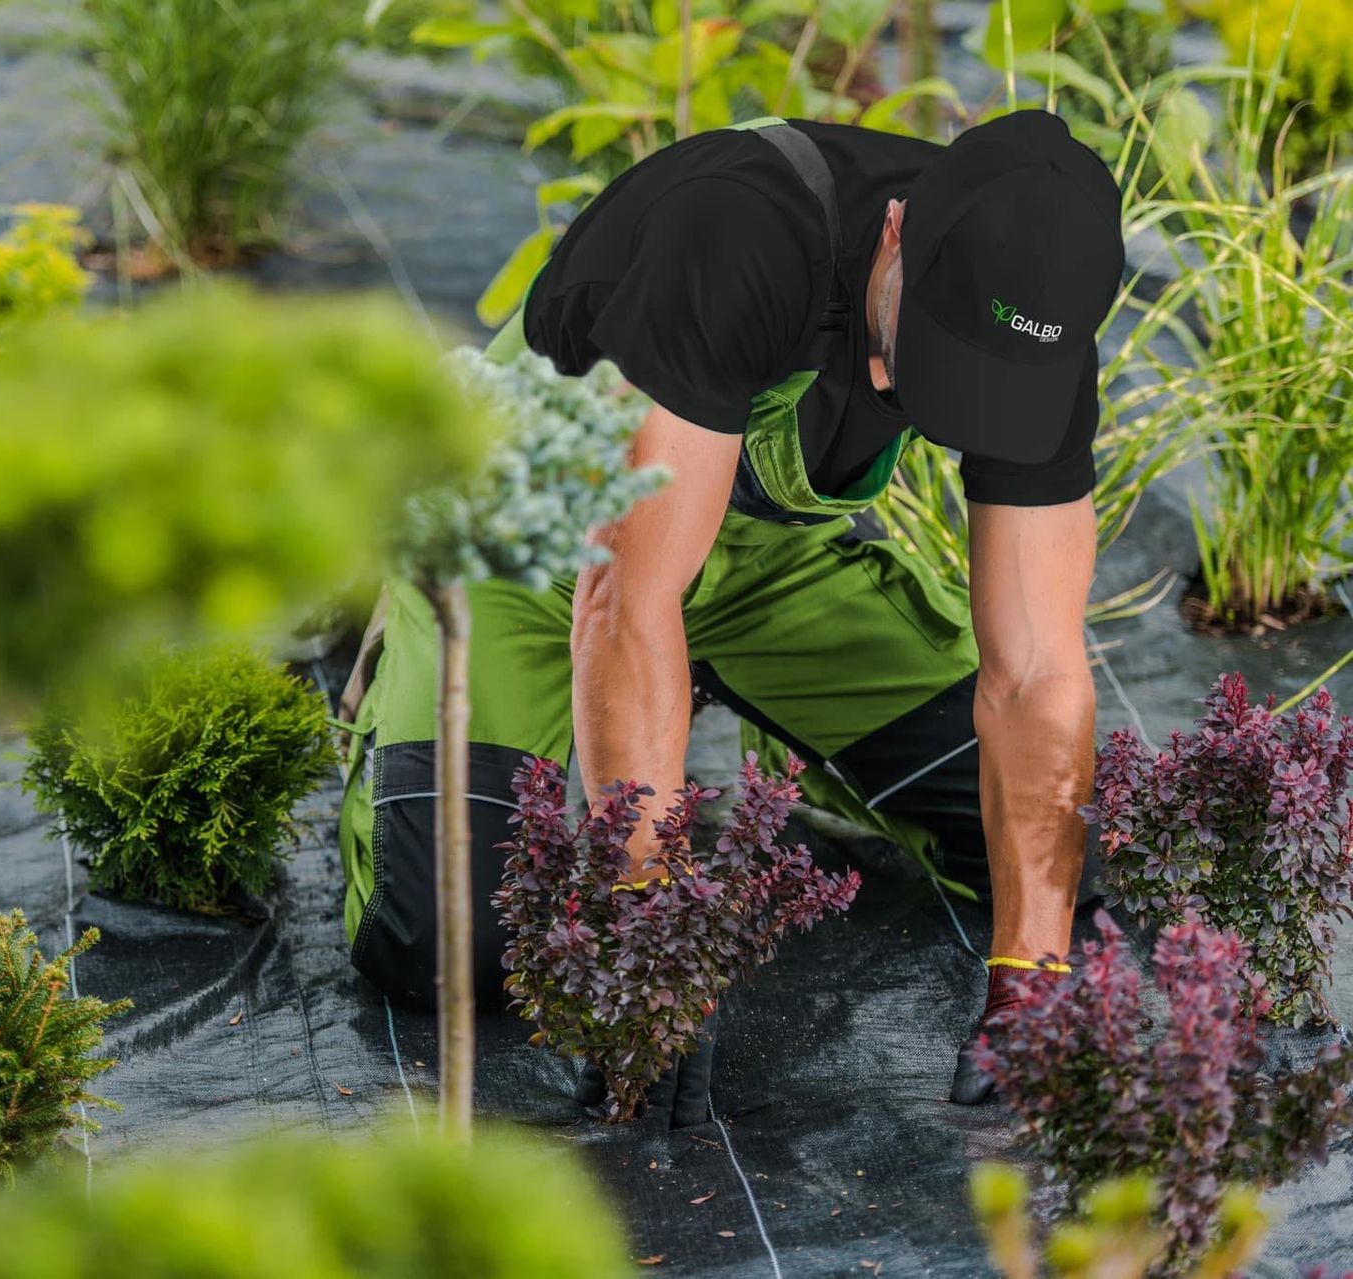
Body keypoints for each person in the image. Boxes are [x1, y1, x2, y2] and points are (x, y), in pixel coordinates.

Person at [336, 109, 1125, 1125]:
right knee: (446, 946)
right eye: (923, 353)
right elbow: (629, 595)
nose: (911, 389)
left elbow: (1037, 672)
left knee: (1053, 852)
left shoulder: (1038, 329)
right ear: (895, 235)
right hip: (538, 538)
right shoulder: (734, 232)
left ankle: (771, 730)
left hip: (768, 570)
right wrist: (647, 921)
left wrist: (1033, 971)